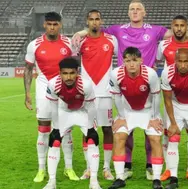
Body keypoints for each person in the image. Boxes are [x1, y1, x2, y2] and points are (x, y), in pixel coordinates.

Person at [72, 0, 188, 179]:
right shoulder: (118, 29)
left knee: (150, 126)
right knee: (125, 127)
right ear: (128, 13)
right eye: (132, 9)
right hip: (125, 86)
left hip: (148, 85)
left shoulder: (155, 30)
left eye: (138, 9)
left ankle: (151, 165)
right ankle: (126, 165)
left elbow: (177, 31)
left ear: (145, 13)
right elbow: (96, 28)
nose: (135, 12)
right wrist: (80, 32)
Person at [24, 12, 78, 182]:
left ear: (60, 25)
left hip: (65, 89)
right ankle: (41, 169)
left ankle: (68, 168)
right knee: (44, 129)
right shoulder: (34, 45)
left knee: (66, 130)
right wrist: (27, 93)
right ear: (44, 25)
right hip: (43, 88)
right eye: (49, 24)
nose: (52, 27)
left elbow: (77, 68)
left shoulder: (69, 43)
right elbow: (27, 69)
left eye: (55, 24)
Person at [108, 47, 164, 189]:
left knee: (155, 139)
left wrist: (154, 118)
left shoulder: (150, 74)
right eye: (127, 61)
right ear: (123, 62)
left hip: (148, 111)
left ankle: (157, 179)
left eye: (134, 60)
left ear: (141, 60)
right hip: (127, 112)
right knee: (119, 137)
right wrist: (121, 117)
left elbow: (157, 96)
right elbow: (117, 96)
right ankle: (120, 178)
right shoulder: (116, 74)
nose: (131, 64)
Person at [43, 57, 101, 189]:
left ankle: (94, 181)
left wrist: (91, 128)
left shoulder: (86, 84)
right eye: (65, 73)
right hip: (64, 112)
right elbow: (53, 107)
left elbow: (91, 107)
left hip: (83, 112)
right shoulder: (53, 84)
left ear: (77, 72)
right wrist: (56, 128)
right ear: (60, 73)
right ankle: (51, 182)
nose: (68, 77)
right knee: (55, 141)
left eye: (72, 73)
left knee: (92, 140)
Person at [75, 9, 118, 181]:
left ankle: (106, 168)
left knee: (107, 129)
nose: (94, 22)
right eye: (91, 19)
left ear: (101, 21)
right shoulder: (80, 41)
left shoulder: (111, 40)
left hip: (106, 93)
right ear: (87, 22)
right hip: (87, 94)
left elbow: (121, 59)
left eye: (97, 19)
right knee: (87, 130)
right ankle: (88, 167)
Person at [156, 15, 188, 182]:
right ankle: (169, 168)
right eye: (176, 25)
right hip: (170, 96)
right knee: (168, 133)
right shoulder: (164, 45)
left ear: (187, 27)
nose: (179, 28)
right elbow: (158, 61)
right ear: (172, 27)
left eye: (182, 25)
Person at [161, 48, 188, 189]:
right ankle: (173, 179)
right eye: (179, 61)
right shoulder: (167, 73)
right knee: (173, 138)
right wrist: (173, 123)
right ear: (175, 61)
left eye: (186, 61)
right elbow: (167, 100)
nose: (182, 65)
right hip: (175, 106)